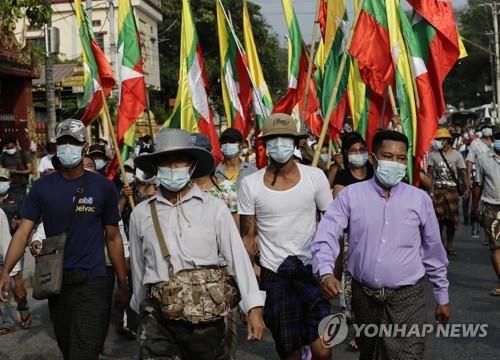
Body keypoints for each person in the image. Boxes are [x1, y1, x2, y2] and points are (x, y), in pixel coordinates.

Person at [312, 130, 450, 360]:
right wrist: (326, 272)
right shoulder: (350, 196)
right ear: (374, 158)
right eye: (388, 156)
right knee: (371, 354)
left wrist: (442, 296)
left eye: (400, 158)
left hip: (408, 297)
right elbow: (326, 234)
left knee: (408, 355)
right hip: (364, 296)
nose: (394, 163)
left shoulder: (420, 200)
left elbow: (433, 251)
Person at [130, 128, 265, 359]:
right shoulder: (141, 214)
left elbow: (237, 258)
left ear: (191, 165)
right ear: (156, 167)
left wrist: (253, 307)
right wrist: (138, 309)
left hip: (205, 315)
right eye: (166, 161)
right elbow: (138, 268)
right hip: (157, 316)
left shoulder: (214, 208)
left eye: (179, 161)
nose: (173, 168)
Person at [0, 119, 128, 359]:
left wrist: (122, 282)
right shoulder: (41, 188)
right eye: (63, 142)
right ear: (55, 146)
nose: (68, 147)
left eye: (74, 142)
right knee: (69, 348)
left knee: (86, 349)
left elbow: (113, 237)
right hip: (57, 281)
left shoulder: (103, 187)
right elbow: (23, 232)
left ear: (85, 146)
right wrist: (7, 271)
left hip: (95, 281)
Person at [239, 113, 332, 360]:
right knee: (289, 352)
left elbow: (331, 226)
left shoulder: (315, 178)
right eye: (273, 139)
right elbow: (247, 239)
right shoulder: (250, 184)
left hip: (310, 271)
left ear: (295, 143)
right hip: (274, 276)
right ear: (265, 145)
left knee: (323, 350)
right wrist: (248, 292)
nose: (279, 144)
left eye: (285, 138)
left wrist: (332, 271)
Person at [0, 168, 31, 329]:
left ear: (9, 181)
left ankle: (23, 308)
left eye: (2, 180)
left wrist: (18, 223)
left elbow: (26, 221)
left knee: (17, 284)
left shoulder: (17, 198)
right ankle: (6, 322)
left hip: (13, 247)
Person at [428, 128, 467, 256]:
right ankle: (438, 244)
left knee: (451, 220)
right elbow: (430, 175)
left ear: (447, 140)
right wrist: (430, 191)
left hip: (452, 191)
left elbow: (462, 172)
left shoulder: (456, 155)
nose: (438, 142)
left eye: (440, 139)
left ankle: (449, 245)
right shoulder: (433, 155)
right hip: (438, 191)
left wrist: (467, 188)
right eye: (437, 139)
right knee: (438, 220)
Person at [472, 124, 500, 296]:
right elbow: (478, 184)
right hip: (490, 207)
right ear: (493, 139)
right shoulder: (483, 158)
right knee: (496, 247)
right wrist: (474, 207)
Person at [466, 125, 493, 238]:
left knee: (490, 206)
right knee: (475, 204)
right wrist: (468, 179)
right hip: (478, 178)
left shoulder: (495, 142)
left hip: (491, 178)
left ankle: (489, 234)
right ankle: (474, 223)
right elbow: (470, 161)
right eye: (485, 127)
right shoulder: (475, 143)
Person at [332, 132, 374, 197]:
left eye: (362, 150)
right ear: (346, 153)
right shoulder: (342, 176)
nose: (358, 153)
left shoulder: (374, 173)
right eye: (354, 150)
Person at [0, 137, 32, 204]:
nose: (10, 150)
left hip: (21, 184)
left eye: (11, 148)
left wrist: (17, 172)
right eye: (8, 148)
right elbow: (1, 170)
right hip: (7, 185)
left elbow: (30, 170)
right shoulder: (3, 156)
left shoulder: (23, 154)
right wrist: (7, 172)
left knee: (21, 203)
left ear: (16, 145)